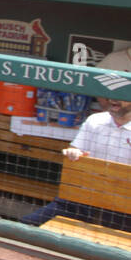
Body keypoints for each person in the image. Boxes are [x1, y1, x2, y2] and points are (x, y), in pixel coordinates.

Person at [21, 95, 131, 232]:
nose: (113, 99)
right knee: (26, 225)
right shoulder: (96, 120)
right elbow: (75, 149)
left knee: (115, 247)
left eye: (121, 96)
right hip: (82, 196)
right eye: (110, 96)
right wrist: (74, 154)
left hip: (124, 205)